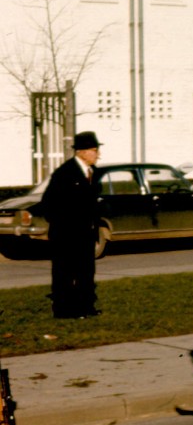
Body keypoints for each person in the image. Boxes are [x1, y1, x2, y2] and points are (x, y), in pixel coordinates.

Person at [40, 131, 102, 319]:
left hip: (86, 233)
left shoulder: (93, 173)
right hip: (66, 234)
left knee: (86, 271)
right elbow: (48, 203)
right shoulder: (65, 173)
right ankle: (64, 310)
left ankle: (86, 308)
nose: (97, 154)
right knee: (65, 272)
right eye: (94, 150)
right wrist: (65, 225)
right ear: (81, 152)